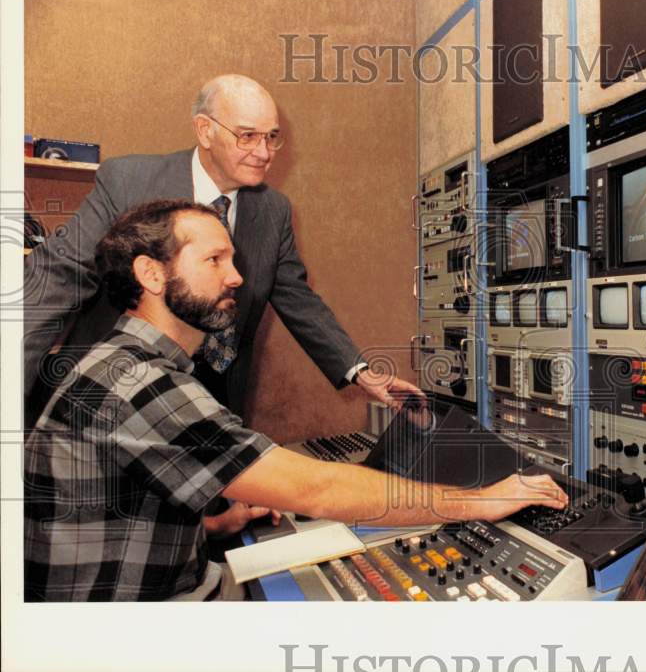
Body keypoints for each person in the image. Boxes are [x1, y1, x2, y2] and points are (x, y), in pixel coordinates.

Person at [23, 200, 569, 601]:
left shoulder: (123, 361)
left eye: (232, 259)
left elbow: (117, 506)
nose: (236, 277)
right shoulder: (141, 382)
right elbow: (318, 486)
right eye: (214, 260)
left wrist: (210, 528)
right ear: (151, 274)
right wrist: (481, 502)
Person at [23, 73, 420, 425]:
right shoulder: (128, 180)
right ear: (204, 130)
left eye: (272, 137)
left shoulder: (273, 210)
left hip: (213, 400)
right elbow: (58, 274)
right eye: (247, 135)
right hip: (119, 391)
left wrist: (360, 371)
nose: (263, 152)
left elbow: (297, 297)